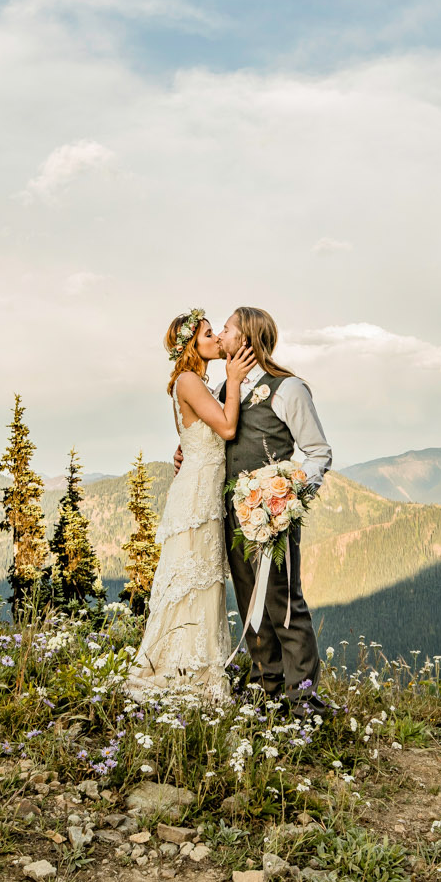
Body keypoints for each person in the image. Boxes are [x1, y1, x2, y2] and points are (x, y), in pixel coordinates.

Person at [124, 309, 256, 703]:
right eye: (209, 334)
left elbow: (198, 438)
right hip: (196, 498)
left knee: (204, 586)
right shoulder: (187, 380)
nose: (217, 339)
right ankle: (178, 672)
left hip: (203, 491)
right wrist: (233, 380)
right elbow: (228, 428)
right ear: (190, 347)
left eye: (217, 332)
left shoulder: (195, 382)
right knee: (190, 583)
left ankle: (200, 670)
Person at [215, 306, 333, 714]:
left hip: (272, 512)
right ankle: (267, 688)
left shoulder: (288, 389)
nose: (220, 334)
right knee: (249, 601)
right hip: (232, 514)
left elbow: (318, 453)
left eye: (226, 328)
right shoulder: (223, 388)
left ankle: (303, 697)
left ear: (244, 338)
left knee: (284, 602)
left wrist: (288, 498)